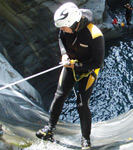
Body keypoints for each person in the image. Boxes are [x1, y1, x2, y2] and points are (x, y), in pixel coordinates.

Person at [36, 2, 105, 150]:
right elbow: (61, 37)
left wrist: (76, 66)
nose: (61, 29)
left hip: (88, 70)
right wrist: (64, 54)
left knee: (81, 104)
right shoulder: (66, 28)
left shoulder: (94, 34)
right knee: (59, 95)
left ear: (73, 23)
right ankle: (50, 129)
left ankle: (86, 139)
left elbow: (98, 63)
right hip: (71, 64)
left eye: (63, 27)